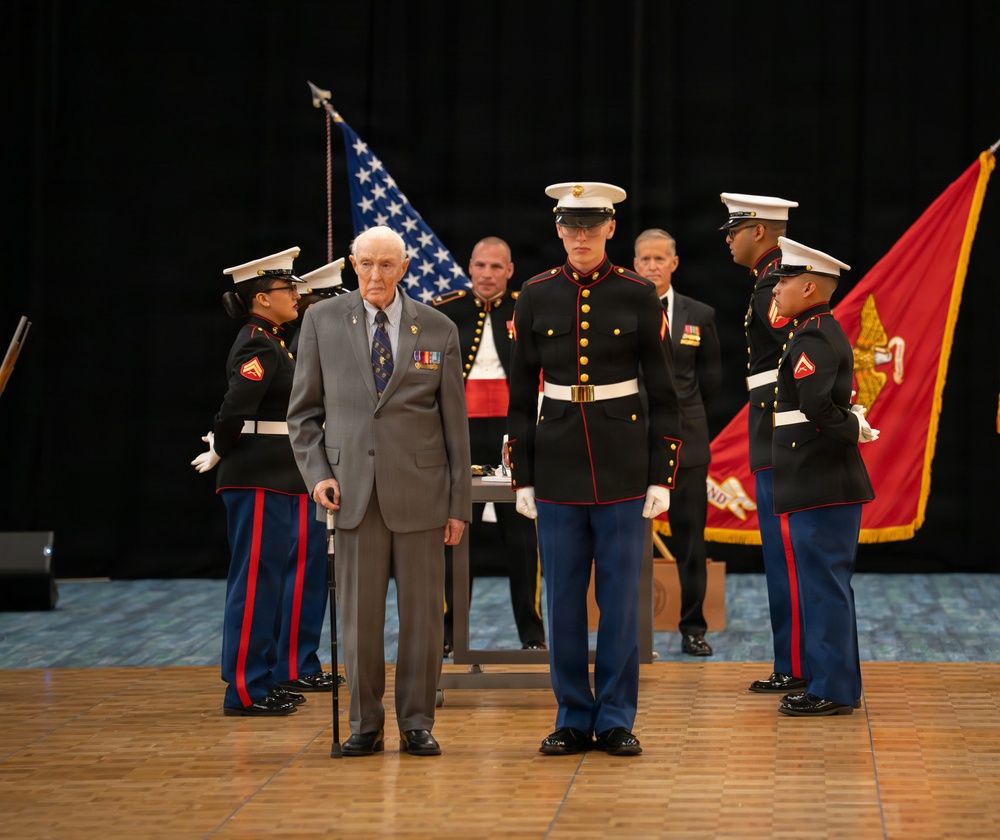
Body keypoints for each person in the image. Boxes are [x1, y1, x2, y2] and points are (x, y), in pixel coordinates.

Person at [507, 182, 682, 757]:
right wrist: (522, 475)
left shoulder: (638, 293)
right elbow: (520, 394)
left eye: (591, 226)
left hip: (623, 465)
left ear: (610, 228)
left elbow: (665, 393)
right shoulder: (535, 294)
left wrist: (661, 475)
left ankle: (613, 717)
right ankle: (571, 715)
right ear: (558, 229)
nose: (580, 236)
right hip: (556, 466)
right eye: (570, 226)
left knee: (620, 601)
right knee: (561, 600)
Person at [287, 225, 471, 757]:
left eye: (387, 264)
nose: (375, 274)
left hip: (422, 495)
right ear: (352, 264)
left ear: (404, 267)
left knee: (422, 620)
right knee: (358, 620)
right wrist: (318, 474)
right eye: (366, 263)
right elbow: (302, 415)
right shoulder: (321, 320)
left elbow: (455, 426)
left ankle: (417, 721)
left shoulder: (437, 327)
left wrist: (458, 504)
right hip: (351, 495)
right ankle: (365, 723)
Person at [192, 246, 332, 716]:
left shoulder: (276, 341)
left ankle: (264, 676)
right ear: (261, 298)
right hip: (256, 474)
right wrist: (220, 447)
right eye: (286, 287)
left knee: (271, 580)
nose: (295, 294)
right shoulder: (257, 342)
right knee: (254, 582)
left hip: (279, 473)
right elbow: (236, 406)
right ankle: (245, 689)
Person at [768, 237, 877, 716]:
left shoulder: (812, 337)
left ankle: (831, 689)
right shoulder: (813, 331)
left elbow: (815, 406)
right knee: (825, 584)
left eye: (785, 280)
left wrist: (851, 427)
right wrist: (850, 421)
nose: (777, 289)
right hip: (819, 477)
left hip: (819, 479)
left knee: (823, 587)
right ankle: (836, 683)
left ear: (809, 286)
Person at [434, 237, 546, 655]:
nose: (487, 274)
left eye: (496, 267)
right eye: (480, 265)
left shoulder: (526, 308)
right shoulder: (445, 311)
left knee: (522, 536)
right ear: (470, 266)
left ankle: (532, 634)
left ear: (510, 271)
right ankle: (449, 632)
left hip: (512, 433)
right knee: (455, 533)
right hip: (459, 433)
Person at [719, 192, 809, 695]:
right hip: (776, 426)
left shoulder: (774, 286)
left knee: (786, 554)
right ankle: (794, 660)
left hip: (781, 430)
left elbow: (797, 358)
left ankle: (796, 664)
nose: (728, 240)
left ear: (758, 231)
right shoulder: (770, 280)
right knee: (782, 552)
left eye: (734, 230)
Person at [633, 228, 721, 657]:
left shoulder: (699, 314)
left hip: (687, 442)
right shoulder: (622, 312)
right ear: (634, 265)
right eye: (644, 259)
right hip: (633, 441)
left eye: (659, 259)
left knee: (690, 540)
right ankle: (630, 629)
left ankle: (693, 628)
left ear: (674, 263)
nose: (652, 266)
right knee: (628, 542)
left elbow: (711, 381)